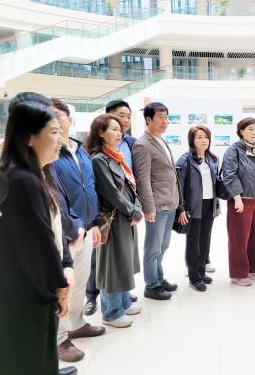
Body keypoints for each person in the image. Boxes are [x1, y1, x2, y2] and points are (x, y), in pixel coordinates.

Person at [0, 101, 77, 375]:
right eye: (53, 132)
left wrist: (65, 269)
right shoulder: (22, 181)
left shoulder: (23, 174)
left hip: (16, 294)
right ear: (29, 138)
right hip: (25, 297)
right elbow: (37, 246)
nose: (61, 139)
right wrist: (58, 289)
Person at [48, 98, 107, 362]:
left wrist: (94, 224)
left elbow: (90, 188)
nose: (53, 120)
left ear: (70, 120)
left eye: (58, 115)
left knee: (81, 281)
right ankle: (60, 338)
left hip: (85, 228)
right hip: (63, 232)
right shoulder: (49, 153)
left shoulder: (81, 151)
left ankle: (77, 323)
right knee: (64, 286)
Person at [87, 114, 144, 328]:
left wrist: (137, 208)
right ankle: (111, 312)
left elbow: (129, 185)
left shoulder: (115, 156)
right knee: (113, 264)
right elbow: (111, 193)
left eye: (120, 129)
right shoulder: (98, 160)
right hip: (113, 218)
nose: (119, 133)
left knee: (125, 261)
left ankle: (123, 302)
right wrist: (134, 211)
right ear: (101, 132)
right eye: (113, 129)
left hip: (125, 216)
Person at [133, 102, 181, 300]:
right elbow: (143, 179)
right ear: (148, 120)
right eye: (160, 117)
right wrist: (149, 207)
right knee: (152, 248)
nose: (165, 121)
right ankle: (151, 285)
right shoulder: (142, 144)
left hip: (170, 203)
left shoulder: (160, 140)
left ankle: (159, 278)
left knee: (163, 246)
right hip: (157, 206)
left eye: (166, 117)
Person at [223, 117, 255, 286]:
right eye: (250, 129)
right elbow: (229, 175)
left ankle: (254, 268)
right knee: (239, 238)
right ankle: (238, 273)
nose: (254, 132)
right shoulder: (234, 150)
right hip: (241, 200)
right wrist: (237, 197)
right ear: (241, 131)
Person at [176, 126, 221, 292]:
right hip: (193, 206)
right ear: (192, 140)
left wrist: (217, 204)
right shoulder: (184, 160)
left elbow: (215, 184)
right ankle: (194, 277)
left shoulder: (212, 159)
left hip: (209, 204)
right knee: (193, 242)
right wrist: (181, 209)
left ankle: (201, 272)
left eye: (206, 137)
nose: (204, 140)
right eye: (199, 137)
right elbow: (179, 188)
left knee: (204, 240)